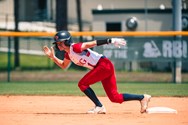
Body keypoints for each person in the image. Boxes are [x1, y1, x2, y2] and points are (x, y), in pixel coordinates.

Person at [43, 30, 151, 114]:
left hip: (103, 65)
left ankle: (99, 106)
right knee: (115, 98)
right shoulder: (68, 54)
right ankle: (142, 97)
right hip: (103, 67)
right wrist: (53, 57)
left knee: (82, 84)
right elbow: (63, 65)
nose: (58, 45)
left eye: (60, 42)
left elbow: (92, 43)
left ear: (67, 41)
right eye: (57, 43)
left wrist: (110, 40)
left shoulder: (75, 47)